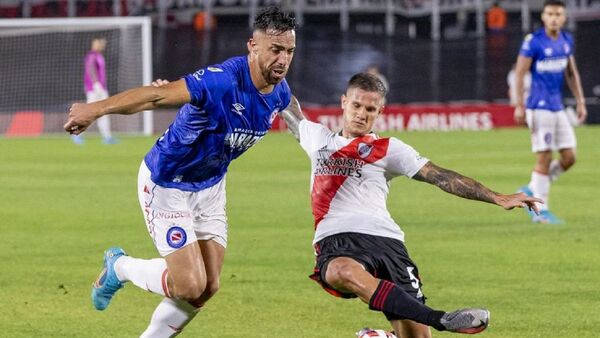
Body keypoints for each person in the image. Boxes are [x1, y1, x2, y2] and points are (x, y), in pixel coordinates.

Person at [64, 7, 296, 337]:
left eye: (289, 51)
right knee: (189, 284)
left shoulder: (280, 93)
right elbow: (157, 96)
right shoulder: (221, 81)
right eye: (275, 50)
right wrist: (95, 110)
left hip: (211, 187)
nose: (283, 60)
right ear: (253, 46)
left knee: (208, 286)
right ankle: (119, 267)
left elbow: (291, 108)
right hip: (167, 183)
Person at [278, 73, 541, 337]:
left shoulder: (389, 148)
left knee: (416, 336)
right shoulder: (318, 137)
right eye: (356, 105)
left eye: (370, 109)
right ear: (344, 102)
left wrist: (497, 197)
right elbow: (285, 103)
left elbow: (441, 176)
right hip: (338, 239)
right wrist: (264, 66)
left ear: (380, 111)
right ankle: (441, 319)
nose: (361, 114)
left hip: (388, 243)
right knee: (339, 271)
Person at [513, 0, 587, 224]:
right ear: (544, 17)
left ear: (564, 18)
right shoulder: (533, 42)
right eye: (550, 14)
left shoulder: (566, 40)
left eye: (558, 14)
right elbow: (519, 73)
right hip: (539, 108)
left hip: (558, 107)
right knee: (544, 158)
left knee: (569, 157)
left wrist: (580, 101)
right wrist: (519, 104)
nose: (554, 18)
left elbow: (571, 73)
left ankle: (533, 187)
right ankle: (540, 211)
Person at [73, 37, 118, 145]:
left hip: (102, 88)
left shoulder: (99, 56)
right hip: (93, 89)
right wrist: (95, 83)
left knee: (105, 112)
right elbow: (91, 69)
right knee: (89, 112)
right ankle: (77, 134)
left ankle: (107, 137)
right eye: (98, 44)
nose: (101, 46)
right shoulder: (91, 56)